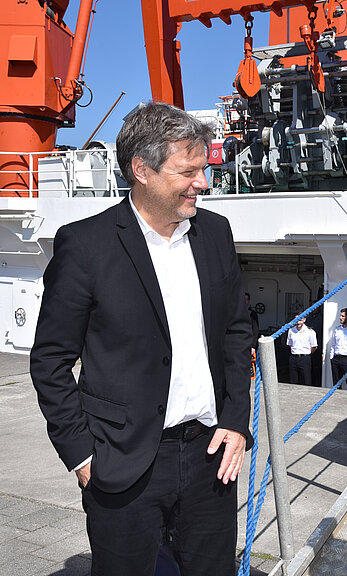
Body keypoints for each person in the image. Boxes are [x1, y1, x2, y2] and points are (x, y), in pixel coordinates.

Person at [30, 101, 253, 576]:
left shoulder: (215, 233)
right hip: (121, 461)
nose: (203, 183)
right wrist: (82, 456)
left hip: (210, 456)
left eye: (205, 168)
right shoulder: (86, 246)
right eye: (189, 171)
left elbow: (236, 332)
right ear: (141, 170)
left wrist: (236, 421)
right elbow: (50, 360)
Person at [286, 314, 318, 386]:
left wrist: (306, 354)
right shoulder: (291, 331)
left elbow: (314, 347)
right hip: (293, 358)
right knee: (293, 382)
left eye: (300, 320)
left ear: (304, 320)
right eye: (296, 320)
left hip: (305, 358)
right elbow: (289, 345)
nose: (298, 322)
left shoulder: (310, 332)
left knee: (306, 381)